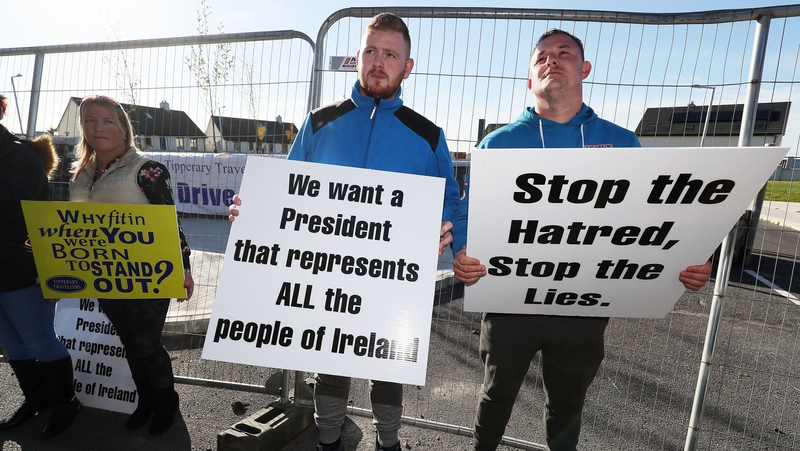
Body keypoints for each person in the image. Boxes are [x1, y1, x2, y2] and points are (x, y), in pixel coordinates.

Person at [451, 29, 713, 451]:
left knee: (568, 404)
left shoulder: (624, 144)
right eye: (541, 57)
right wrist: (461, 250)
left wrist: (689, 260)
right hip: (508, 305)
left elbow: (653, 223)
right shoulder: (498, 144)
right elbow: (466, 214)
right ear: (529, 77)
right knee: (496, 394)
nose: (551, 61)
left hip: (583, 308)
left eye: (564, 53)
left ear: (584, 68)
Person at [229, 13, 460, 451]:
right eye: (370, 51)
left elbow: (449, 198)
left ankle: (387, 443)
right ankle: (329, 441)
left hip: (394, 277)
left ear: (407, 67)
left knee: (388, 367)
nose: (378, 61)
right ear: (357, 57)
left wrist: (443, 228)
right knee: (331, 366)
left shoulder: (428, 136)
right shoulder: (319, 122)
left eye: (390, 54)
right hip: (328, 275)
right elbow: (286, 190)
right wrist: (253, 212)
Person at [69, 94, 195, 435]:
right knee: (127, 340)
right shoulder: (81, 174)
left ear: (124, 128)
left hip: (149, 276)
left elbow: (170, 223)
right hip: (105, 276)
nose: (98, 128)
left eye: (108, 120)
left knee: (145, 344)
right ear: (82, 129)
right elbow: (71, 231)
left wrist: (184, 268)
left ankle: (166, 399)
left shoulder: (148, 170)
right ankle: (146, 399)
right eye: (90, 121)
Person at [0, 94, 82, 438]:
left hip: (21, 266)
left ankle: (66, 403)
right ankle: (36, 398)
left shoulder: (20, 155)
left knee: (39, 339)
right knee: (10, 342)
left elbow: (11, 208)